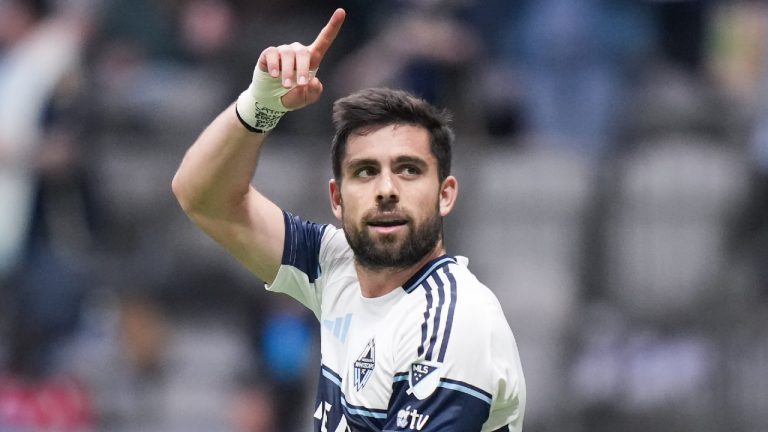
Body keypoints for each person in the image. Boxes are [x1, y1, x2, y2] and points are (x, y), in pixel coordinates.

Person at [172, 8, 525, 432]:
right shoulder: (336, 266)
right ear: (337, 199)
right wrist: (260, 104)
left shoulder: (454, 320)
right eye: (366, 171)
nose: (387, 189)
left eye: (409, 169)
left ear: (445, 195)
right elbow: (201, 197)